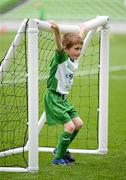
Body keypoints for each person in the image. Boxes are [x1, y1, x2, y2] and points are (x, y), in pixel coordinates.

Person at [44, 21, 86, 165]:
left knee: (78, 124)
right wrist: (57, 31)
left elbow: (77, 42)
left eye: (81, 49)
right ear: (66, 49)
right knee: (69, 127)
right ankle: (57, 158)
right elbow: (60, 46)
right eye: (76, 49)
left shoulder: (73, 60)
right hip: (53, 97)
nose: (79, 52)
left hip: (63, 99)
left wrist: (82, 31)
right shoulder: (62, 58)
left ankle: (60, 150)